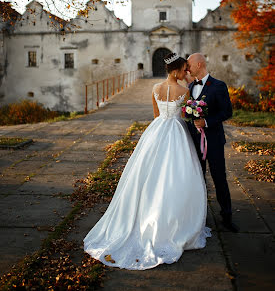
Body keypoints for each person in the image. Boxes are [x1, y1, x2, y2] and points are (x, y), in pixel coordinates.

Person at [84, 53, 211, 270]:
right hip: (177, 132)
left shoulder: (155, 89)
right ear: (175, 71)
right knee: (176, 175)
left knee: (147, 173)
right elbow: (187, 115)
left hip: (157, 130)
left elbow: (156, 115)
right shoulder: (185, 90)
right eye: (182, 70)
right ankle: (174, 221)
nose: (184, 73)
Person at [187, 53, 239, 232]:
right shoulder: (189, 86)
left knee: (219, 179)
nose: (187, 68)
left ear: (199, 64)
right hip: (194, 141)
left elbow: (227, 112)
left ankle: (227, 216)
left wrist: (207, 122)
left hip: (214, 141)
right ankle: (198, 218)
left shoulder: (218, 86)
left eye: (189, 65)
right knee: (197, 179)